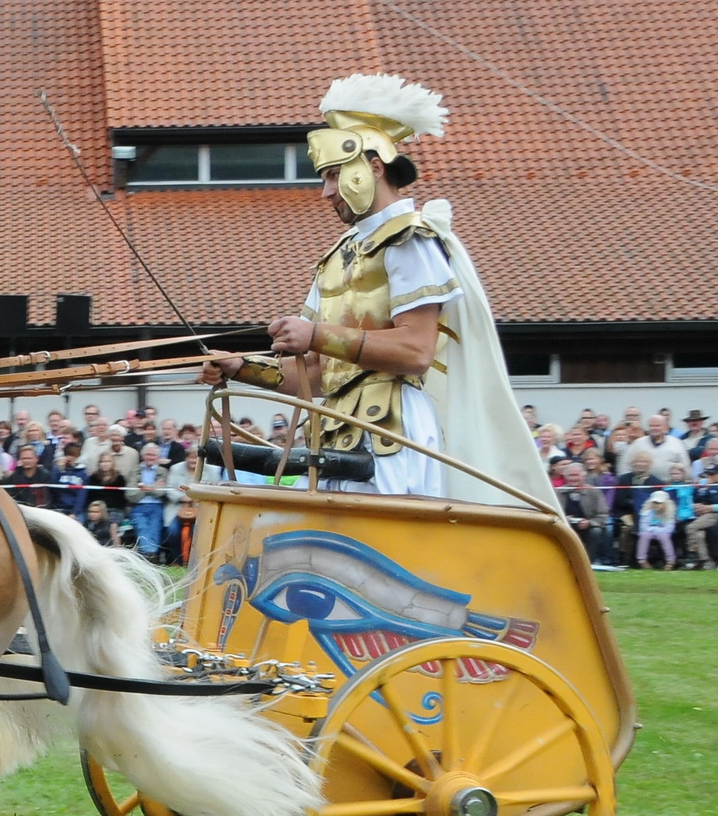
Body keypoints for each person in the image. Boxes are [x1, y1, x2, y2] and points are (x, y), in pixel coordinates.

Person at [198, 74, 550, 507]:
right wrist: (241, 367)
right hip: (337, 428)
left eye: (332, 175)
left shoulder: (410, 239)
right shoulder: (336, 257)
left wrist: (316, 336)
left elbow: (417, 351)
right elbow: (314, 374)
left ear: (373, 167)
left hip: (393, 430)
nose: (325, 192)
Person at [558, 461, 609, 563]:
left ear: (583, 476)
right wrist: (564, 519)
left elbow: (603, 514)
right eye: (570, 475)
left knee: (596, 531)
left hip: (587, 528)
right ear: (565, 477)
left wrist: (589, 523)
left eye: (576, 475)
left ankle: (587, 562)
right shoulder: (558, 492)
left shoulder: (594, 492)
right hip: (564, 527)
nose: (573, 478)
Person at [125, 442, 169, 560]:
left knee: (155, 529)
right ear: (143, 456)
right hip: (138, 505)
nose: (150, 457)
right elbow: (130, 494)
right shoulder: (134, 471)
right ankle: (149, 555)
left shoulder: (163, 471)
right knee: (142, 528)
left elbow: (161, 492)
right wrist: (152, 487)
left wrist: (143, 486)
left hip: (157, 505)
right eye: (148, 455)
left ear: (157, 457)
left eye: (153, 455)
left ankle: (150, 555)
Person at [622, 414, 689, 482]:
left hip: (670, 485)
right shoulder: (637, 444)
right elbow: (625, 465)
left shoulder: (676, 443)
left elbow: (686, 466)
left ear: (665, 427)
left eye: (657, 426)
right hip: (644, 485)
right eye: (651, 426)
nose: (654, 428)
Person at [636, 490, 678, 570]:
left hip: (663, 532)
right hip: (649, 531)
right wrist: (656, 529)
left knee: (664, 536)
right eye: (654, 503)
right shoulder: (646, 513)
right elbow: (643, 527)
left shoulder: (669, 514)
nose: (656, 505)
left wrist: (654, 530)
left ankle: (671, 560)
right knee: (644, 535)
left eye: (659, 503)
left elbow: (669, 528)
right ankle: (642, 560)